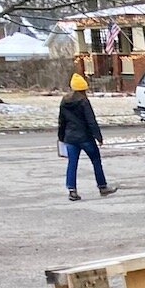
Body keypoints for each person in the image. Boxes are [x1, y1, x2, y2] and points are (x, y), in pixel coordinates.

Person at [59, 73, 117, 201]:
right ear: (83, 89)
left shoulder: (64, 101)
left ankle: (72, 190)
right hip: (85, 137)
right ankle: (102, 186)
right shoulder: (84, 101)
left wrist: (61, 137)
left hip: (70, 138)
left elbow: (61, 121)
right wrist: (98, 136)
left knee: (72, 164)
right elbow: (91, 120)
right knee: (96, 161)